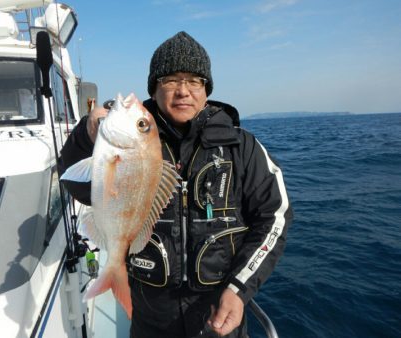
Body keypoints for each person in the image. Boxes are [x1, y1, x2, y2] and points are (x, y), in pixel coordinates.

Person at [60, 31, 293, 338]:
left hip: (218, 313)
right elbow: (75, 186)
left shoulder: (243, 148)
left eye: (194, 80)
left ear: (206, 90)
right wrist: (85, 136)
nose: (183, 90)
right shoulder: (129, 141)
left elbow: (274, 217)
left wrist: (238, 289)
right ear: (154, 88)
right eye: (171, 80)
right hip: (150, 314)